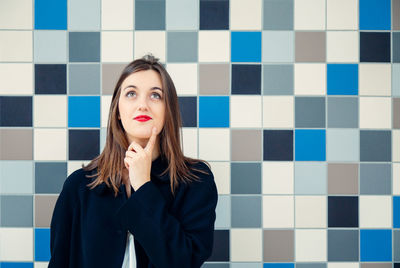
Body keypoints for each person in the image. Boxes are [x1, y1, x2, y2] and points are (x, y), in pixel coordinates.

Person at [49, 54, 218, 268]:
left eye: (155, 96)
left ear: (168, 110)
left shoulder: (196, 181)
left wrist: (144, 186)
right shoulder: (79, 186)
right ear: (117, 111)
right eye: (131, 94)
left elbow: (181, 262)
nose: (142, 105)